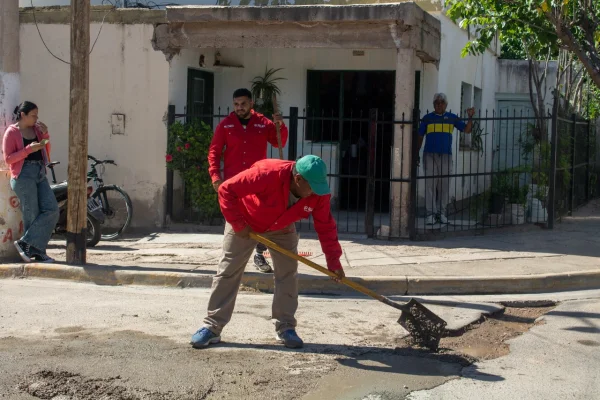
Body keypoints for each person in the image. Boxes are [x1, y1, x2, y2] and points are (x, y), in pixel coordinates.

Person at [191, 155, 345, 349]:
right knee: (228, 270)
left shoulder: (319, 193)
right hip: (245, 219)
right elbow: (226, 190)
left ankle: (286, 326)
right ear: (298, 179)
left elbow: (326, 227)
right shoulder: (266, 173)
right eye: (313, 186)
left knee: (288, 273)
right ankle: (212, 326)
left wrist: (334, 263)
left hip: (282, 226)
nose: (316, 191)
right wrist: (238, 225)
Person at [208, 88, 288, 274]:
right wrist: (215, 177)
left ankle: (259, 254)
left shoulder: (263, 123)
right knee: (235, 221)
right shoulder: (226, 125)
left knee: (263, 219)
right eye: (236, 104)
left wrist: (280, 126)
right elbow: (214, 152)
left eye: (243, 104)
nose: (239, 107)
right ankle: (232, 260)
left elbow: (279, 142)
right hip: (234, 183)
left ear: (251, 104)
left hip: (257, 182)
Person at [2, 101, 59, 262]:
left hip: (39, 172)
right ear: (23, 115)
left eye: (37, 115)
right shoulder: (12, 132)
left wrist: (46, 135)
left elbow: (46, 150)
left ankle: (25, 243)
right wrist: (28, 150)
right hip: (23, 175)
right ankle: (38, 252)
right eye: (33, 115)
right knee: (32, 214)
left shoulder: (37, 130)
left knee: (52, 209)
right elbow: (8, 159)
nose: (36, 118)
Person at [417, 93, 475, 225]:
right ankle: (430, 214)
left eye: (442, 102)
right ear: (433, 104)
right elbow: (420, 137)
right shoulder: (427, 118)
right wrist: (416, 154)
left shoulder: (452, 118)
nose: (439, 104)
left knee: (444, 185)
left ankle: (441, 213)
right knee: (430, 185)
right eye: (436, 102)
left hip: (446, 155)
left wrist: (470, 117)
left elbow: (466, 130)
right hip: (429, 154)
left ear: (446, 105)